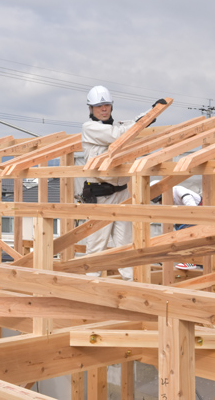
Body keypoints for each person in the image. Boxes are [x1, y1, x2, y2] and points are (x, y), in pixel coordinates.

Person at [81, 85, 166, 281]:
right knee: (96, 246)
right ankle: (89, 288)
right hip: (100, 197)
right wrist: (146, 119)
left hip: (121, 193)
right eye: (99, 106)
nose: (104, 109)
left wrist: (149, 114)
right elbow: (119, 135)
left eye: (107, 105)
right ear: (90, 109)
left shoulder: (118, 125)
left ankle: (131, 287)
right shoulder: (90, 128)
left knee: (125, 243)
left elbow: (129, 126)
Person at [151, 181, 201, 270]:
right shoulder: (167, 202)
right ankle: (196, 262)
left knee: (187, 235)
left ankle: (190, 261)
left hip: (199, 214)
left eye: (160, 200)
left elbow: (193, 210)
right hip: (185, 218)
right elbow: (165, 224)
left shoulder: (179, 191)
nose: (160, 203)